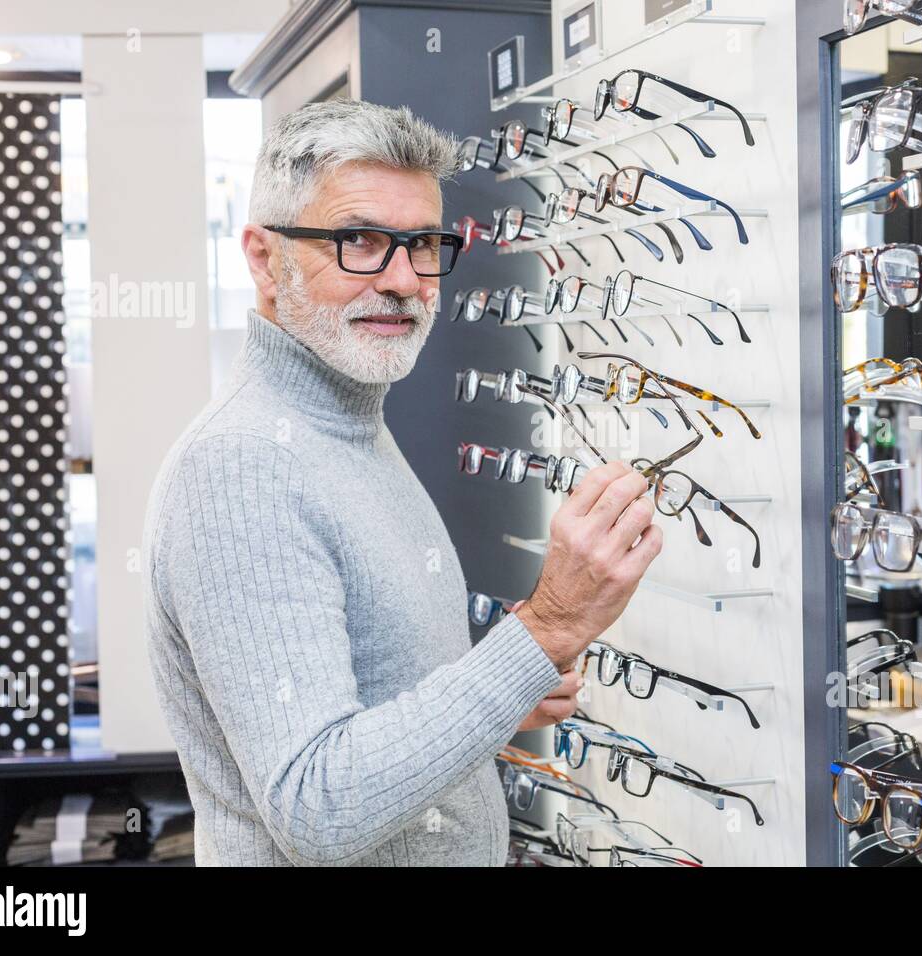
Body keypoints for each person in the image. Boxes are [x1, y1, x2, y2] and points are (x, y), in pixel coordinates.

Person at [142, 100, 662, 866]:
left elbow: (371, 702)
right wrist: (544, 629)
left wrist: (504, 683)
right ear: (262, 258)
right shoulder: (241, 468)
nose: (402, 280)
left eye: (423, 244)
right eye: (358, 241)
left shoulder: (348, 420)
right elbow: (317, 807)